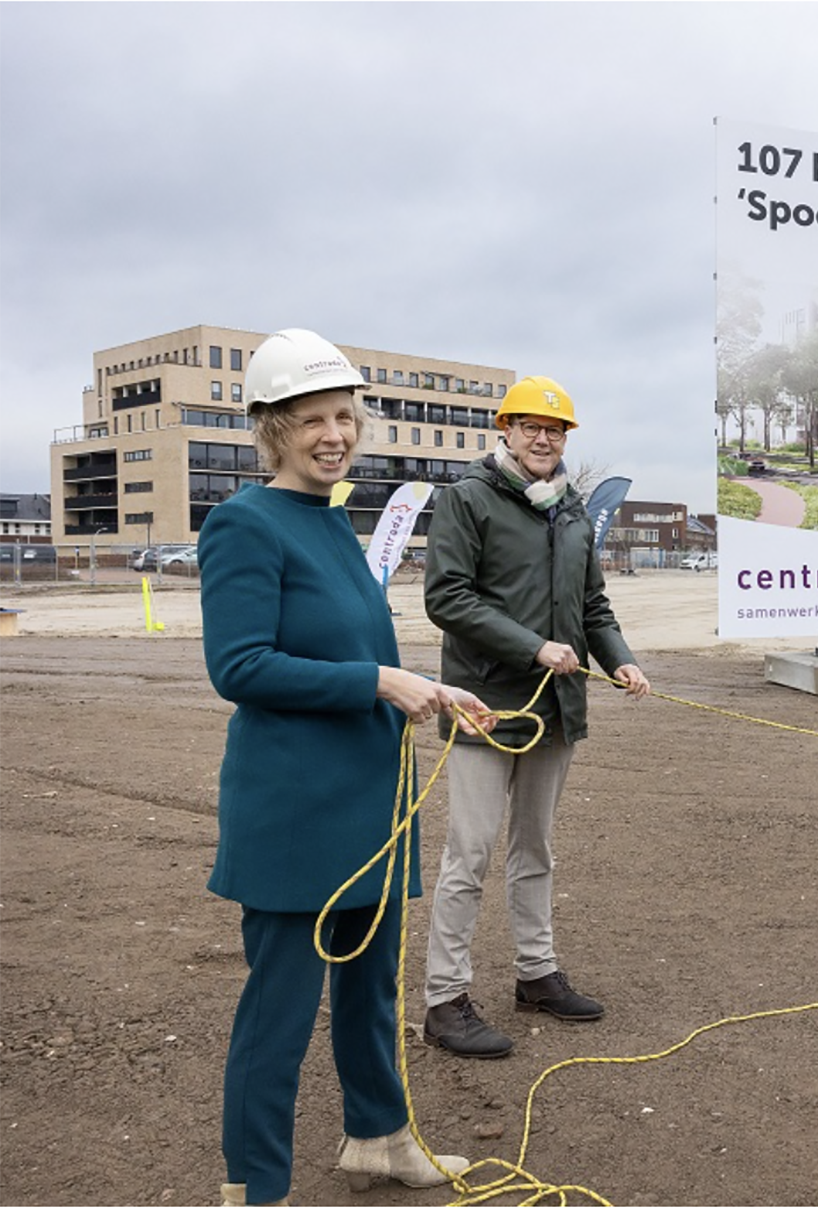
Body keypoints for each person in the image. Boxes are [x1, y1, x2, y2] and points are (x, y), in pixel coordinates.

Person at [200, 329, 488, 1206]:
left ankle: (380, 1137)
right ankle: (253, 1188)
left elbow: (358, 657)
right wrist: (379, 680)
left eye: (345, 417)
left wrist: (427, 689)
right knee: (278, 1017)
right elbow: (238, 666)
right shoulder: (243, 523)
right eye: (314, 419)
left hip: (369, 805)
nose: (336, 434)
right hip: (294, 815)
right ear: (272, 427)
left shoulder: (334, 523)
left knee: (370, 995)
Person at [421, 375, 651, 1059]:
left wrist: (619, 659)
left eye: (554, 429)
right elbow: (447, 597)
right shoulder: (467, 500)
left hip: (556, 707)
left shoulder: (574, 512)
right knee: (469, 853)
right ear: (506, 430)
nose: (543, 437)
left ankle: (536, 973)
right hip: (487, 707)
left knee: (535, 850)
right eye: (529, 426)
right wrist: (532, 646)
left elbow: (593, 608)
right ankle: (444, 998)